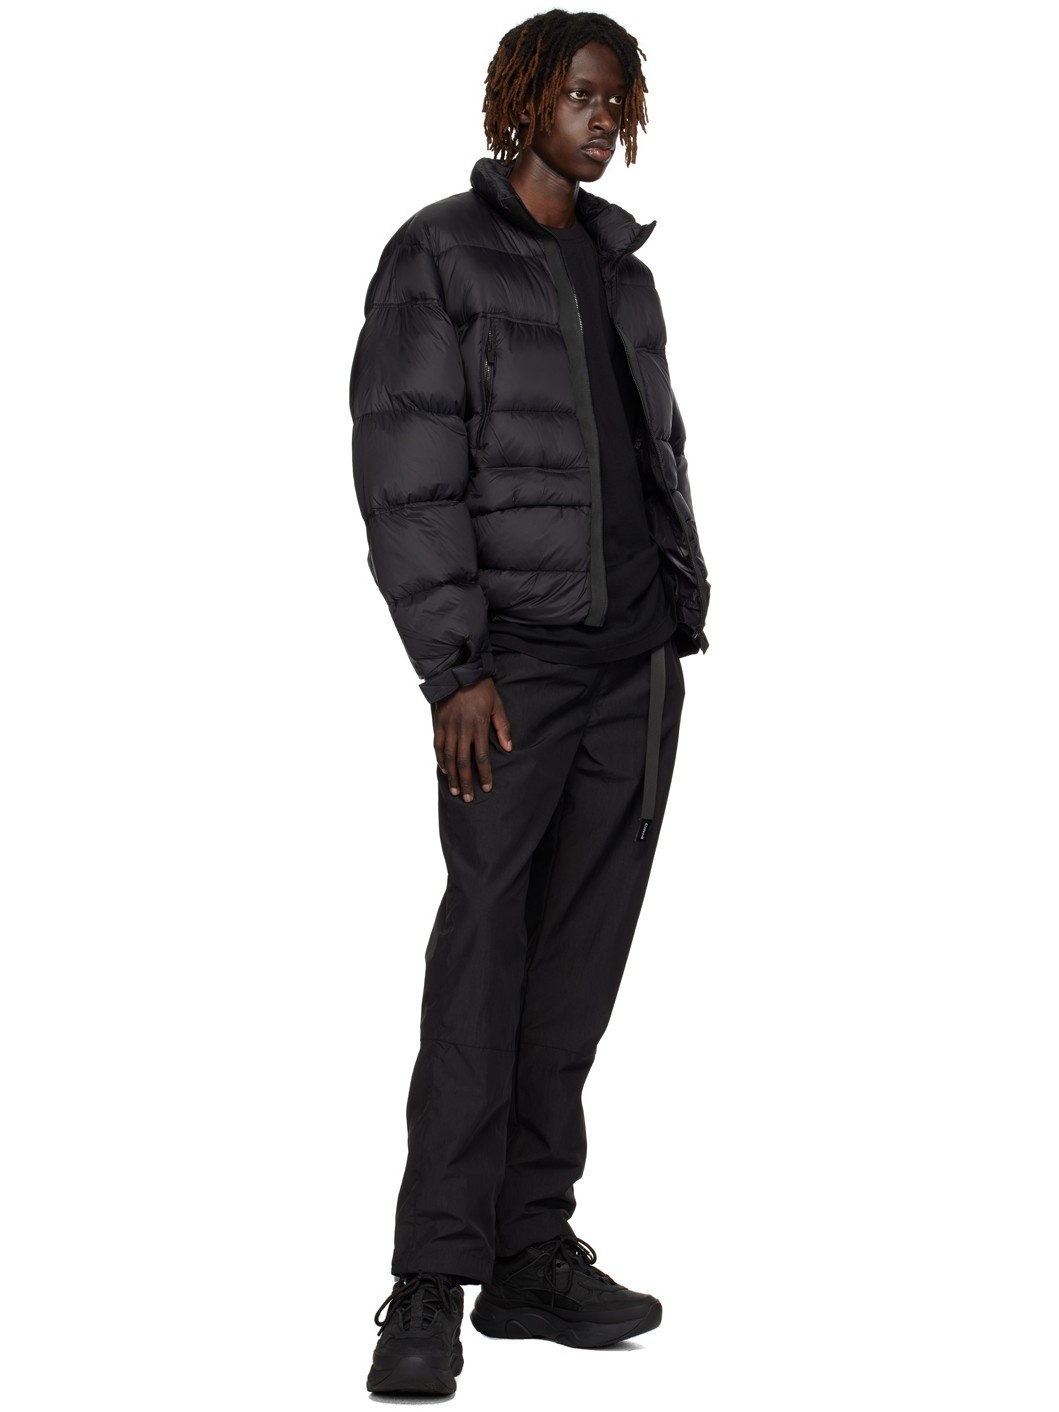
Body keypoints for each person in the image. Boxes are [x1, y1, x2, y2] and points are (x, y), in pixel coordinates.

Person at [348, 8, 710, 1396]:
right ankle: (429, 1279)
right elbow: (407, 474)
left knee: (576, 968)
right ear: (522, 100)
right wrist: (454, 668)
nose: (602, 119)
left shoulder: (622, 271)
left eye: (619, 100)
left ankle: (529, 1253)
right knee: (484, 963)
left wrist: (675, 608)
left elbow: (652, 451)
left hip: (634, 666)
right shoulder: (440, 254)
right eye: (580, 95)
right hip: (513, 674)